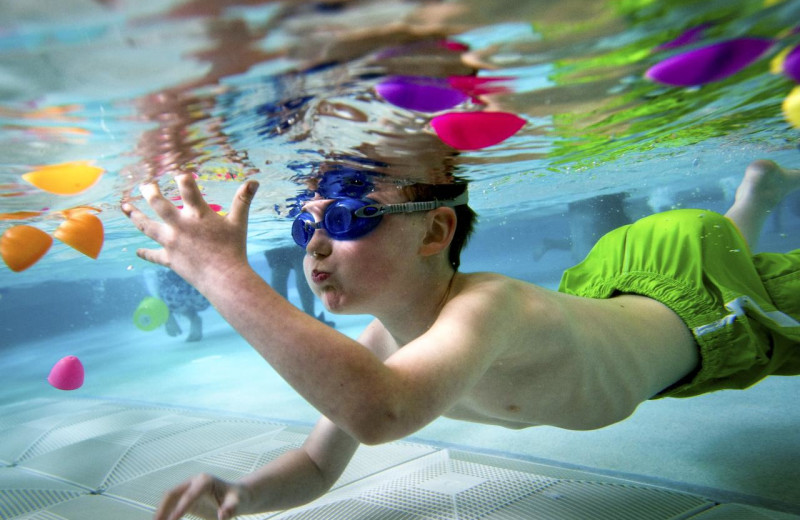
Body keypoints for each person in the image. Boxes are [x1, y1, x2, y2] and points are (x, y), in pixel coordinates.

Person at [121, 159, 799, 520]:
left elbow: (382, 411)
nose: (317, 244)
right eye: (304, 227)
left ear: (436, 233)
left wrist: (220, 273)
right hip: (615, 281)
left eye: (351, 218)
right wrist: (244, 494)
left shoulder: (491, 305)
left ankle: (750, 205)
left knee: (743, 277)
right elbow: (321, 463)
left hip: (709, 317)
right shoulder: (388, 340)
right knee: (729, 247)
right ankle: (756, 196)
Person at [145, 268, 211, 342]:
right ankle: (194, 319)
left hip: (178, 298)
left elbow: (153, 284)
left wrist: (167, 316)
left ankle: (193, 318)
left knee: (164, 279)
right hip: (201, 295)